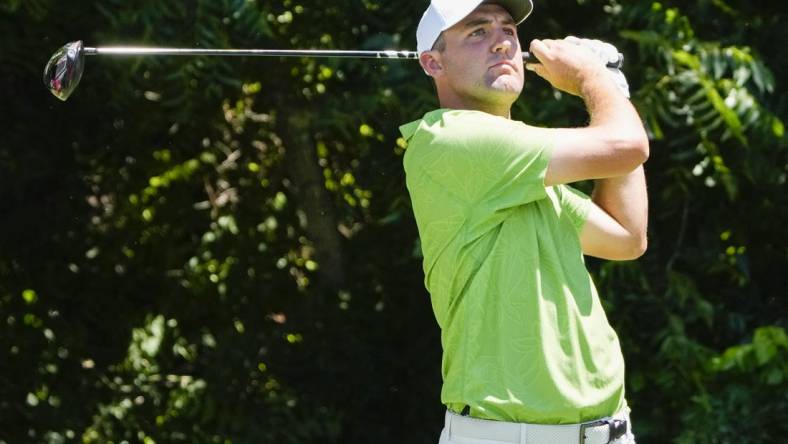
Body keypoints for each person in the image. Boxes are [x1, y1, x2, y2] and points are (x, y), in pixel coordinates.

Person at [399, 0, 649, 443]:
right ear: (432, 62)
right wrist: (594, 79)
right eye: (478, 32)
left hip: (609, 430)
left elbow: (626, 236)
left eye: (508, 31)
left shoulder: (520, 172)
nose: (501, 42)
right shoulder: (451, 138)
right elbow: (627, 144)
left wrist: (613, 88)